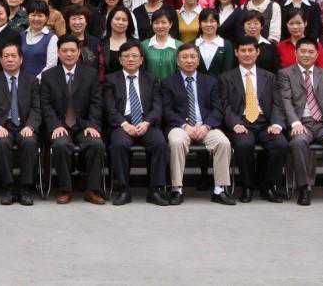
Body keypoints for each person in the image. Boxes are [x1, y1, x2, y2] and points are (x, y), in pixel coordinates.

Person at [279, 37, 323, 206]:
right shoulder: (285, 74)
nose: (306, 55)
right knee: (298, 142)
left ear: (317, 54)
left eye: (311, 52)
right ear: (296, 53)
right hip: (301, 123)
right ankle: (304, 188)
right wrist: (295, 122)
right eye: (303, 51)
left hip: (322, 124)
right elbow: (285, 100)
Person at [162, 45, 235, 205]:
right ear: (177, 61)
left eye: (193, 57)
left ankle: (220, 190)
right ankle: (176, 189)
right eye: (184, 57)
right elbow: (167, 110)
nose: (189, 60)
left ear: (198, 60)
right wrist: (185, 126)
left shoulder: (210, 81)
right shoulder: (168, 82)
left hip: (206, 126)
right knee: (176, 141)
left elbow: (218, 109)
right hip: (180, 127)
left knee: (223, 142)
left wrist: (206, 126)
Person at [218, 37, 288, 203]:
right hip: (242, 122)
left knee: (280, 144)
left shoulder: (269, 77)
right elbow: (225, 106)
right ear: (236, 53)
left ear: (258, 52)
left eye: (251, 50)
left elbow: (277, 103)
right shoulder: (226, 77)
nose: (247, 54)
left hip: (265, 123)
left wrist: (276, 123)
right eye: (243, 50)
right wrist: (235, 123)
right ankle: (247, 186)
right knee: (243, 144)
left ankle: (269, 186)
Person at [39, 36, 107, 205]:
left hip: (84, 125)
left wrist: (92, 125)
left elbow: (96, 103)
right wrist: (55, 125)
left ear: (78, 53)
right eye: (64, 51)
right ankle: (65, 189)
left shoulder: (90, 74)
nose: (68, 54)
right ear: (58, 53)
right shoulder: (48, 75)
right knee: (60, 145)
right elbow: (45, 105)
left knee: (96, 144)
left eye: (72, 50)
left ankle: (92, 190)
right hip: (60, 125)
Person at [102, 40, 170, 206]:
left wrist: (147, 122)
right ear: (120, 60)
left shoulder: (152, 79)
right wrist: (124, 124)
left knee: (160, 143)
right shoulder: (110, 80)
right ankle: (123, 190)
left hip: (146, 123)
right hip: (122, 124)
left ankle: (155, 190)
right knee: (118, 145)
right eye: (126, 56)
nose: (130, 59)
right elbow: (109, 108)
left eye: (134, 56)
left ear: (141, 60)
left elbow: (157, 106)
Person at [0, 44, 41, 206]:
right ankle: (8, 187)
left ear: (21, 59)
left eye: (13, 56)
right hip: (3, 126)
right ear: (0, 60)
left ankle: (25, 188)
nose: (10, 59)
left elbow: (37, 108)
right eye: (6, 56)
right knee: (1, 143)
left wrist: (30, 126)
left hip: (24, 125)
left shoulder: (32, 81)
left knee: (30, 142)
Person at [140, 9, 181, 81]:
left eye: (164, 22)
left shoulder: (179, 46)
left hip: (172, 86)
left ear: (170, 24)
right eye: (156, 23)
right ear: (152, 24)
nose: (160, 26)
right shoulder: (144, 45)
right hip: (149, 86)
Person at [195, 9, 235, 76]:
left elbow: (228, 70)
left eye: (212, 21)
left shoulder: (226, 45)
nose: (208, 25)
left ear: (218, 24)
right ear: (200, 24)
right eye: (205, 21)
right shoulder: (193, 44)